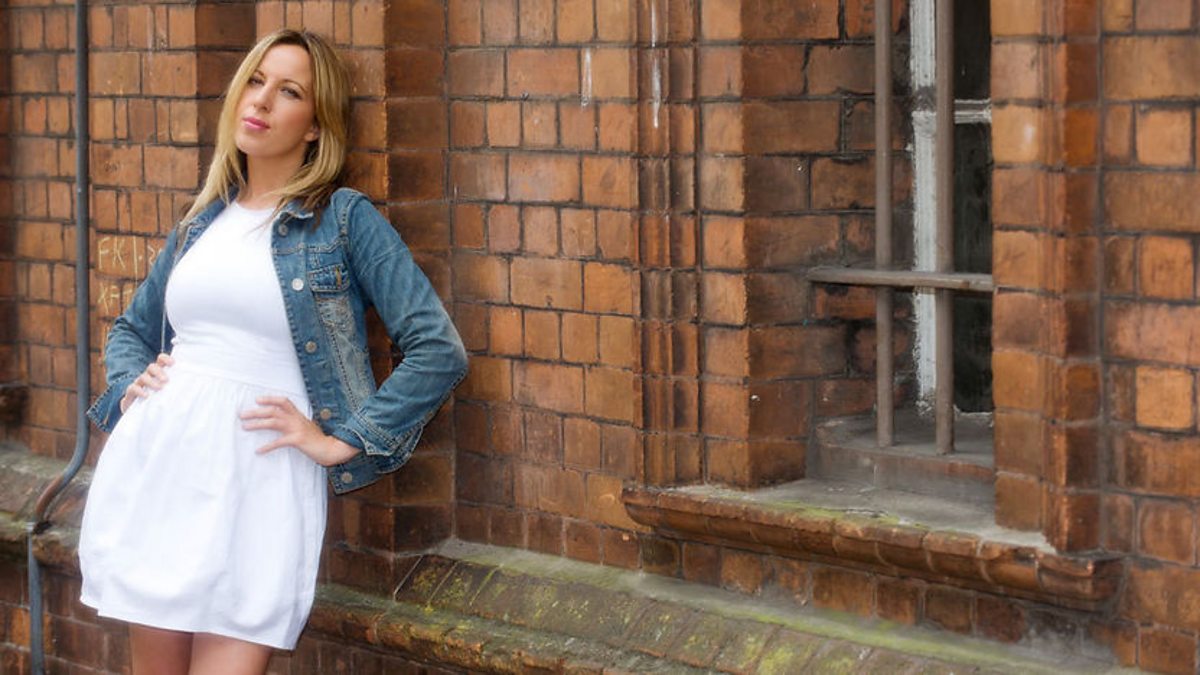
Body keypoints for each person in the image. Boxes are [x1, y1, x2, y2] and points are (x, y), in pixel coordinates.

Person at [79, 29, 467, 675]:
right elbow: (131, 330)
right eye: (255, 81)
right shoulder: (203, 220)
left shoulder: (342, 218)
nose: (260, 100)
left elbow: (438, 349)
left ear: (315, 126)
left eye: (288, 92)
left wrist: (343, 441)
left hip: (259, 475)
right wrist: (129, 388)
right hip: (162, 464)